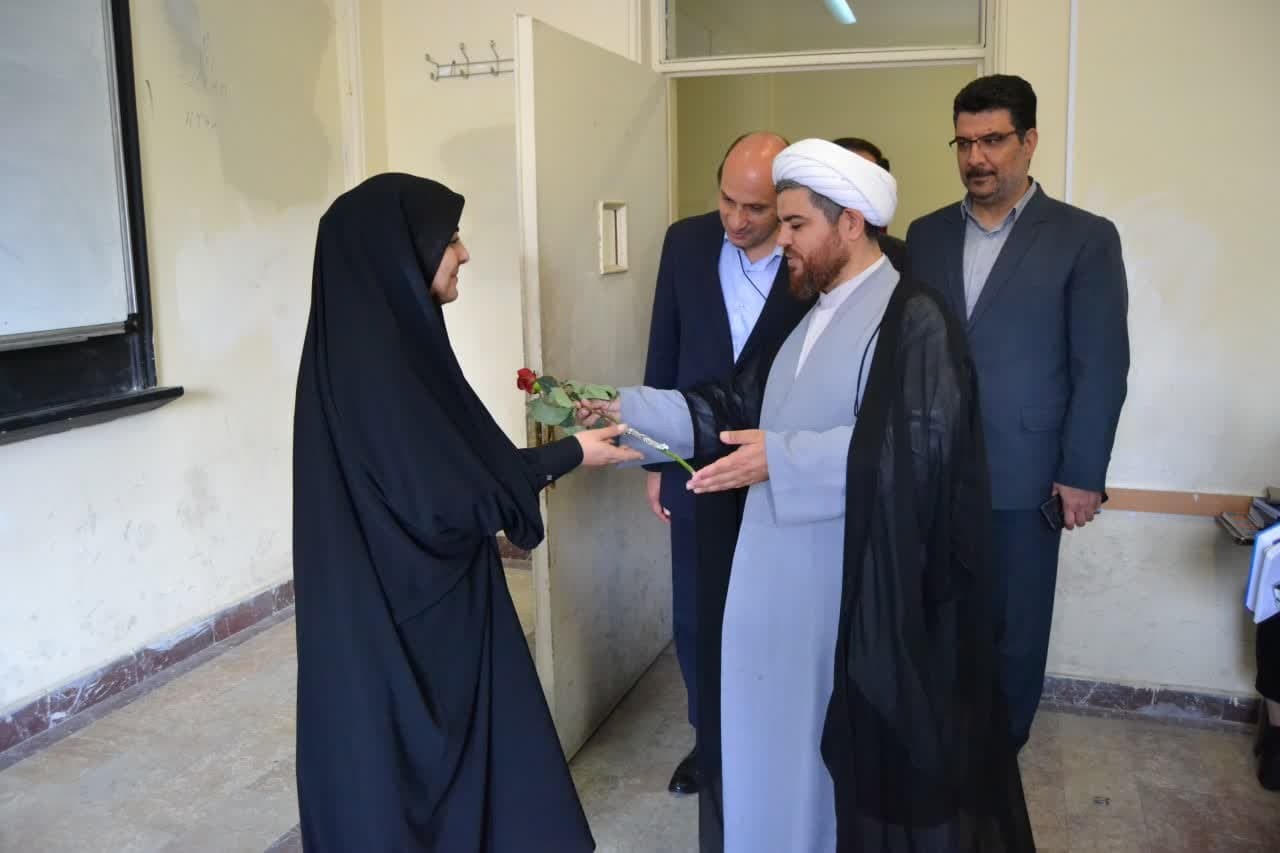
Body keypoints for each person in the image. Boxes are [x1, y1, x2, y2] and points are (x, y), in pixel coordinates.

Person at [585, 140, 1032, 852]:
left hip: (839, 592)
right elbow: (729, 403)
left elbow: (923, 448)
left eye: (795, 225)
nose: (780, 239)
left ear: (850, 223)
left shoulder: (913, 316)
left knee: (817, 769)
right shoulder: (807, 309)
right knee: (765, 752)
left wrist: (782, 457)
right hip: (770, 585)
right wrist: (623, 409)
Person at [291, 173, 640, 851]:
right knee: (430, 784)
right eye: (449, 238)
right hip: (415, 623)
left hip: (394, 604)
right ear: (401, 252)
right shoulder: (378, 365)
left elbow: (443, 472)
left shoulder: (367, 345)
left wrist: (562, 453)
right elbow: (450, 497)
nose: (464, 252)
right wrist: (565, 455)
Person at [904, 74, 1130, 750]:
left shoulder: (1084, 238)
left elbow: (1102, 365)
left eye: (993, 140)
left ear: (1029, 142)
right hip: (933, 470)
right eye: (964, 142)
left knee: (1015, 628)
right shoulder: (926, 235)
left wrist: (1082, 472)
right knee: (938, 616)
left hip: (1027, 472)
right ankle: (943, 747)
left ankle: (999, 757)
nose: (976, 157)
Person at [641, 131, 810, 795]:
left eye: (756, 208)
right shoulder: (685, 243)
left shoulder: (812, 252)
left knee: (779, 611)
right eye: (727, 201)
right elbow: (664, 347)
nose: (737, 220)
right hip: (697, 464)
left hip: (782, 464)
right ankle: (709, 743)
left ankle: (777, 741)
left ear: (786, 203)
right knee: (697, 612)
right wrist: (655, 460)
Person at [831, 137, 907, 271]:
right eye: (848, 178)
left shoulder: (900, 255)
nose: (859, 190)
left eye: (867, 180)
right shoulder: (798, 248)